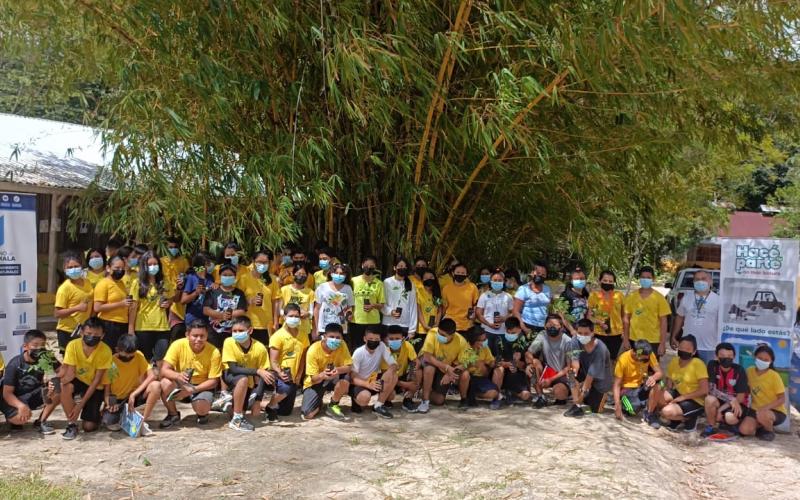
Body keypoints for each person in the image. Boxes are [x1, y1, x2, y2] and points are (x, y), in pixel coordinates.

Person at [159, 319, 222, 427]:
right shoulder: (177, 345)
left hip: (201, 386)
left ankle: (202, 412)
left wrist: (192, 390)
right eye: (195, 335)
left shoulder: (214, 352)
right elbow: (164, 369)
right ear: (187, 335)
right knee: (165, 383)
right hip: (181, 382)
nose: (198, 339)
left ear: (207, 336)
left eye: (202, 336)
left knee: (202, 408)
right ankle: (173, 414)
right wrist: (177, 375)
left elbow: (213, 381)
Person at [60, 318, 113, 440]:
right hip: (78, 380)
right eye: (88, 334)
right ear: (82, 332)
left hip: (95, 385)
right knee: (64, 387)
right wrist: (56, 383)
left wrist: (80, 405)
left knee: (88, 427)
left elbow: (96, 381)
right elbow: (70, 373)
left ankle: (97, 415)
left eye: (96, 335)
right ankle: (71, 424)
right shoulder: (73, 345)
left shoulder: (105, 350)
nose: (91, 337)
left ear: (102, 335)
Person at [0, 330, 61, 434]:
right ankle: (12, 417)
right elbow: (7, 393)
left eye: (42, 345)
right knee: (19, 420)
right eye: (35, 345)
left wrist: (52, 379)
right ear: (25, 346)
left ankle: (42, 421)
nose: (39, 348)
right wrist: (20, 406)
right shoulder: (14, 364)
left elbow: (63, 371)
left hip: (35, 394)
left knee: (60, 387)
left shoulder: (46, 357)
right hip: (17, 398)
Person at [221, 317, 275, 432]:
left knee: (244, 409)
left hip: (248, 383)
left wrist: (258, 400)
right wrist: (257, 371)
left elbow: (264, 375)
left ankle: (228, 405)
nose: (236, 333)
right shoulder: (229, 342)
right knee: (243, 379)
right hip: (229, 377)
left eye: (240, 331)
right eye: (234, 331)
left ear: (250, 330)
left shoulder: (260, 348)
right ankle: (237, 420)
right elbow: (234, 369)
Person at [102, 335, 161, 433]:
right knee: (112, 424)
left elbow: (152, 376)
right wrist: (110, 404)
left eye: (131, 355)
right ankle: (123, 416)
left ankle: (142, 422)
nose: (128, 358)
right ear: (117, 349)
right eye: (125, 355)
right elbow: (107, 390)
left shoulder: (138, 355)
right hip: (119, 399)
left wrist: (134, 394)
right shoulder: (112, 362)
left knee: (156, 386)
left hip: (135, 395)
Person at [128, 251, 177, 361]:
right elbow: (133, 307)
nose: (153, 267)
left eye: (155, 264)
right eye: (149, 264)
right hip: (143, 327)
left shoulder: (164, 282)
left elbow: (172, 297)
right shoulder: (137, 283)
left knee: (161, 358)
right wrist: (131, 329)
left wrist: (168, 302)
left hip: (162, 327)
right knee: (145, 359)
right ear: (144, 266)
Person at [656, 335, 708, 431]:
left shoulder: (698, 363)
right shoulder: (674, 361)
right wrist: (668, 397)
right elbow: (669, 381)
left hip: (695, 400)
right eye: (681, 347)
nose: (684, 350)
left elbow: (704, 390)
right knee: (657, 396)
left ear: (694, 352)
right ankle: (676, 418)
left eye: (688, 349)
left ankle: (689, 418)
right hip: (678, 394)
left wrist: (682, 398)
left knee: (666, 411)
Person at [300, 323, 352, 421]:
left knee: (346, 379)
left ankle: (333, 404)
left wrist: (337, 370)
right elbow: (313, 378)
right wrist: (323, 375)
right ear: (324, 337)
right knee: (308, 415)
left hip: (334, 377)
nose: (335, 340)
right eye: (331, 337)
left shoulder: (342, 344)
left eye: (338, 337)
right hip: (317, 380)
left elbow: (349, 366)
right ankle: (318, 403)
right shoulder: (313, 350)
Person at [266, 303, 309, 420]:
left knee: (285, 412)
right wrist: (280, 373)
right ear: (284, 317)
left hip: (294, 376)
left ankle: (261, 405)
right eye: (291, 316)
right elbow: (273, 361)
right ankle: (270, 405)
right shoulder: (277, 336)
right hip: (279, 374)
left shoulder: (304, 336)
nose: (294, 319)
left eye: (296, 316)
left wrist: (299, 374)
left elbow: (302, 358)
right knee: (286, 388)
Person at [417, 318, 469, 413]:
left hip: (445, 370)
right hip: (428, 362)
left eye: (443, 335)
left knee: (439, 400)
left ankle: (422, 391)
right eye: (439, 332)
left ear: (452, 335)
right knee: (430, 368)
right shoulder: (432, 333)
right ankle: (425, 400)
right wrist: (447, 367)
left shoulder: (461, 341)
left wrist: (450, 372)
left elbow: (465, 363)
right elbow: (427, 357)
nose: (439, 336)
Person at [563, 318, 613, 417]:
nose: (582, 336)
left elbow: (590, 377)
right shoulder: (575, 341)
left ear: (592, 333)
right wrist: (573, 375)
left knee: (594, 410)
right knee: (571, 373)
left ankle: (581, 402)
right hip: (585, 372)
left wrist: (581, 394)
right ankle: (576, 405)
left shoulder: (600, 349)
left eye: (586, 333)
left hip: (600, 381)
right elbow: (575, 362)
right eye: (580, 333)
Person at [670, 270, 719, 364]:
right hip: (687, 347)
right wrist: (674, 336)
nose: (700, 281)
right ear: (693, 282)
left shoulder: (718, 300)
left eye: (703, 279)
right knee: (686, 375)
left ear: (711, 282)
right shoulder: (686, 298)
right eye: (697, 279)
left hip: (709, 347)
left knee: (706, 375)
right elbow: (680, 317)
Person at [611, 340, 664, 427]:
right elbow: (616, 384)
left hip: (641, 385)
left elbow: (660, 373)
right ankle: (627, 403)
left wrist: (653, 377)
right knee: (632, 410)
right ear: (636, 354)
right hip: (626, 389)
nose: (646, 360)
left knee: (660, 384)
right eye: (643, 358)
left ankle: (649, 414)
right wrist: (617, 404)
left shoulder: (648, 354)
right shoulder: (623, 360)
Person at [701, 342, 749, 438]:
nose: (726, 358)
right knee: (709, 399)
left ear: (734, 357)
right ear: (716, 356)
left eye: (729, 356)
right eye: (722, 355)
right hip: (723, 400)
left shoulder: (739, 370)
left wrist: (720, 410)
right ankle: (711, 426)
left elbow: (740, 398)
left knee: (730, 417)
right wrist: (731, 398)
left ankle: (731, 424)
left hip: (737, 404)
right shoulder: (712, 365)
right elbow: (711, 389)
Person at [739, 344, 786, 441]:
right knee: (744, 430)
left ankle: (769, 430)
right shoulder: (749, 371)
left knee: (762, 414)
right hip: (755, 409)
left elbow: (782, 399)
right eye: (760, 358)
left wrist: (765, 408)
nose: (762, 361)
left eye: (766, 360)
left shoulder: (774, 376)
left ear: (771, 361)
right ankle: (761, 427)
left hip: (775, 411)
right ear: (754, 357)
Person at [350, 325, 398, 418]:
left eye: (377, 339)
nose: (374, 341)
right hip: (361, 383)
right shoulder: (358, 352)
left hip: (374, 380)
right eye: (371, 338)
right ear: (365, 339)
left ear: (380, 339)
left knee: (391, 391)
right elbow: (353, 376)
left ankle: (378, 405)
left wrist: (390, 370)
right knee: (364, 399)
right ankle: (356, 400)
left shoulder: (381, 346)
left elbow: (394, 364)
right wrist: (367, 384)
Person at [526, 314, 572, 408]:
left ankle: (566, 394)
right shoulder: (542, 335)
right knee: (534, 364)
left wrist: (551, 379)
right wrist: (529, 364)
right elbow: (528, 353)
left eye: (555, 325)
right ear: (545, 326)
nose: (552, 327)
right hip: (547, 371)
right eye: (549, 325)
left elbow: (569, 367)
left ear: (561, 327)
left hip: (561, 374)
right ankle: (540, 396)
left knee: (560, 393)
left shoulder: (568, 341)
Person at [623, 266, 670, 357]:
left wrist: (662, 343)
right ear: (639, 279)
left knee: (652, 369)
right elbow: (626, 319)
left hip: (653, 341)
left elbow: (663, 322)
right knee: (635, 366)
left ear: (653, 279)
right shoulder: (631, 297)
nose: (645, 280)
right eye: (643, 277)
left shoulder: (659, 298)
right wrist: (625, 339)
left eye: (648, 277)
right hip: (635, 339)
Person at [239, 249, 281, 345]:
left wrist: (275, 323)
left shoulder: (273, 279)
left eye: (265, 262)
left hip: (267, 325)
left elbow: (276, 302)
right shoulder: (244, 278)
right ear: (253, 262)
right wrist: (249, 301)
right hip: (247, 324)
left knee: (265, 351)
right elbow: (237, 300)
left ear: (269, 263)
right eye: (259, 262)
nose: (262, 264)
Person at [54, 252, 94, 353]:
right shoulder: (64, 288)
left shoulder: (87, 282)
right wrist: (77, 308)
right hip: (68, 331)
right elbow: (57, 313)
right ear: (65, 270)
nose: (73, 269)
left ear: (81, 267)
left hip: (84, 331)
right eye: (70, 267)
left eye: (76, 266)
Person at [203, 263, 248, 349]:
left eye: (230, 275)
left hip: (233, 332)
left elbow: (242, 311)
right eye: (225, 275)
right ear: (220, 276)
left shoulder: (239, 293)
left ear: (235, 277)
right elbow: (206, 310)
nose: (227, 277)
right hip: (213, 332)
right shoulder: (213, 291)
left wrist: (226, 316)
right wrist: (221, 315)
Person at [493, 317, 535, 408]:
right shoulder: (499, 340)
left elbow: (525, 365)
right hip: (504, 373)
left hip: (518, 374)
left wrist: (518, 363)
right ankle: (496, 397)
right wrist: (508, 364)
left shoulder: (524, 341)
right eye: (508, 332)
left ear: (520, 329)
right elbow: (496, 361)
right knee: (498, 369)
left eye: (513, 333)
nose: (510, 335)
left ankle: (512, 393)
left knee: (526, 395)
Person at [94, 256, 134, 350]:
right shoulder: (103, 283)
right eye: (117, 268)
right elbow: (97, 307)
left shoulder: (121, 284)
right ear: (108, 268)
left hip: (122, 323)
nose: (120, 271)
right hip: (109, 324)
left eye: (122, 268)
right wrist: (121, 304)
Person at [587, 270, 625, 361]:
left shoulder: (619, 296)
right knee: (599, 359)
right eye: (605, 280)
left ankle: (609, 375)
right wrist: (599, 322)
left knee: (612, 359)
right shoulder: (593, 296)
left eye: (610, 281)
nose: (608, 283)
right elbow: (589, 316)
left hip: (616, 334)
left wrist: (624, 332)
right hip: (599, 333)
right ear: (600, 281)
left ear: (614, 282)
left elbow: (624, 315)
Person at [349, 255, 385, 352]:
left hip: (373, 321)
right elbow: (348, 299)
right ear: (362, 266)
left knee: (372, 348)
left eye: (372, 266)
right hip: (356, 320)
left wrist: (373, 305)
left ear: (375, 267)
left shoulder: (379, 283)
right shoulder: (353, 281)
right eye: (366, 265)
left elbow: (381, 305)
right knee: (357, 348)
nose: (369, 267)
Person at [476, 270, 514, 356]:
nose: (497, 282)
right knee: (485, 356)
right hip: (486, 332)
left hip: (502, 332)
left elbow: (513, 313)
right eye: (495, 280)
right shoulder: (484, 295)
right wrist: (488, 324)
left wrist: (504, 318)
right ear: (491, 281)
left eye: (500, 280)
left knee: (499, 357)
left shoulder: (508, 297)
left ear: (504, 282)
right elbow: (478, 313)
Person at [313, 263, 354, 343]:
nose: (338, 275)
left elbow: (349, 306)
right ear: (331, 273)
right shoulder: (322, 287)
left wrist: (349, 314)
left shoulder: (348, 288)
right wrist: (317, 327)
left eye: (341, 273)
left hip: (341, 326)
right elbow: (317, 308)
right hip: (324, 326)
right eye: (336, 273)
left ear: (345, 275)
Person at [384, 325, 420, 412]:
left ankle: (408, 400)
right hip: (388, 378)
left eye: (397, 338)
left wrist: (413, 378)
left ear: (403, 338)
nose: (394, 341)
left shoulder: (408, 346)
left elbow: (417, 362)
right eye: (391, 338)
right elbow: (384, 375)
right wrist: (407, 385)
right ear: (386, 339)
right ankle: (386, 400)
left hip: (402, 375)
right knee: (390, 393)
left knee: (418, 372)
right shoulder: (384, 350)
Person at [382, 257, 418, 341]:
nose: (402, 268)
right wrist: (390, 311)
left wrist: (412, 329)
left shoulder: (410, 284)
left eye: (405, 267)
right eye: (400, 266)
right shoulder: (387, 282)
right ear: (394, 267)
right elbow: (382, 302)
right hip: (388, 323)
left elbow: (413, 307)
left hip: (404, 325)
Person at [462, 327, 499, 407]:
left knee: (494, 393)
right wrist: (476, 364)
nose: (484, 342)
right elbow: (463, 366)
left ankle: (474, 394)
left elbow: (490, 362)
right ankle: (464, 398)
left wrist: (492, 363)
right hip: (469, 377)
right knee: (465, 375)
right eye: (481, 340)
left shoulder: (485, 348)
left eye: (484, 339)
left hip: (481, 378)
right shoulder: (465, 349)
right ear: (474, 340)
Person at [513, 261, 551, 337]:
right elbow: (515, 311)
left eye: (543, 274)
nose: (540, 276)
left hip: (543, 327)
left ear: (546, 276)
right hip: (527, 326)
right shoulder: (523, 289)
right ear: (532, 273)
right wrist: (524, 328)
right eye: (538, 273)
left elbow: (550, 308)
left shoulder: (548, 289)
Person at [180, 252, 216, 330]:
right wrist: (196, 293)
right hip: (193, 319)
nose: (211, 265)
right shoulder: (191, 277)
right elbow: (183, 300)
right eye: (208, 263)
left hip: (207, 320)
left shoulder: (211, 278)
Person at [280, 263, 316, 337]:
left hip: (304, 329)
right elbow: (280, 310)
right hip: (287, 328)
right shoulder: (284, 290)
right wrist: (292, 314)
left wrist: (307, 314)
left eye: (303, 274)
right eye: (298, 273)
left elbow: (312, 312)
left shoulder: (311, 292)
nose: (301, 276)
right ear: (293, 274)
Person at [441, 263, 479, 333]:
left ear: (466, 275)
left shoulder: (472, 287)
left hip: (467, 325)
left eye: (463, 273)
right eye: (458, 272)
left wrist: (472, 319)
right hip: (450, 325)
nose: (460, 274)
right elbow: (444, 307)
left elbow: (475, 305)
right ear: (453, 273)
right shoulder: (446, 288)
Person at [415, 268, 443, 343]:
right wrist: (424, 325)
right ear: (422, 280)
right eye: (426, 278)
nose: (429, 279)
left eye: (431, 277)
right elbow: (418, 311)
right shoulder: (418, 291)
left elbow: (439, 310)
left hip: (434, 329)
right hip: (421, 329)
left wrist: (437, 323)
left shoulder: (437, 292)